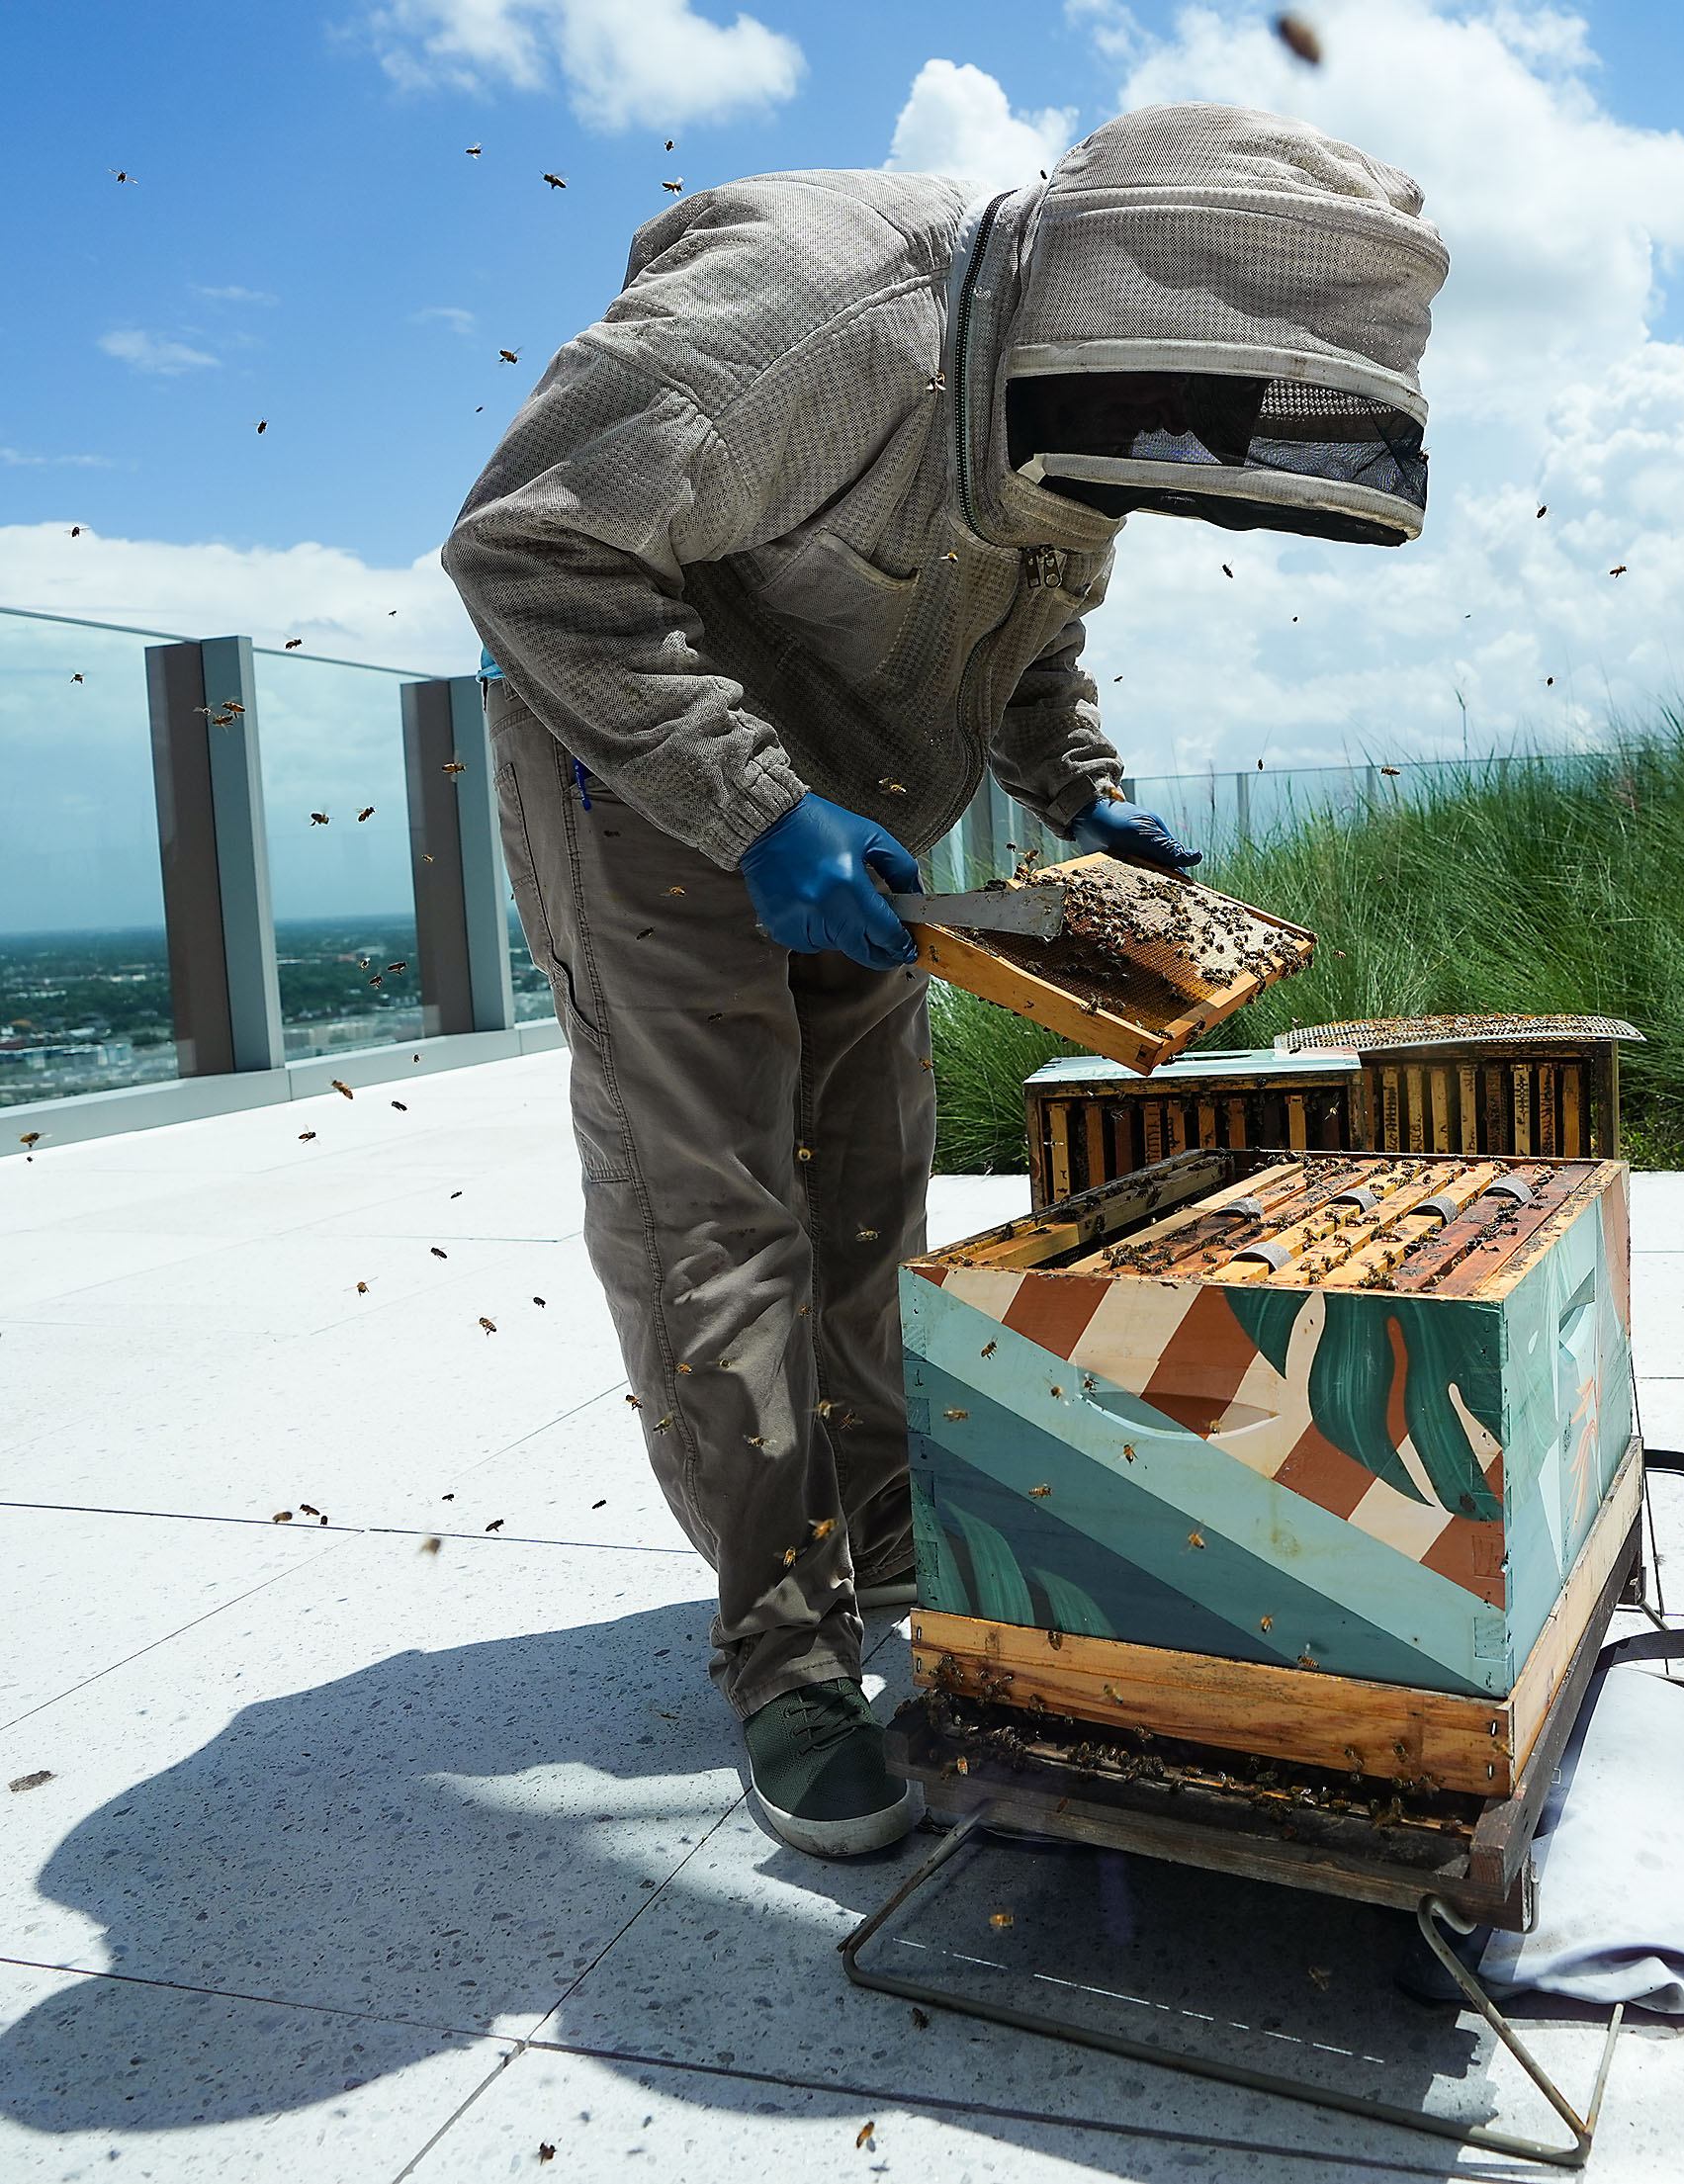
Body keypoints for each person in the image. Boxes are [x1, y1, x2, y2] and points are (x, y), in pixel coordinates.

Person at [445, 103, 1447, 1857]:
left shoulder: (1097, 394)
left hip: (869, 809)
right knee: (726, 1217)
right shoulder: (803, 313)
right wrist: (758, 810)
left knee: (868, 1197)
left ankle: (890, 1532)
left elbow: (1032, 610)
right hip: (645, 782)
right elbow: (528, 544)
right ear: (1098, 315)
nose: (1158, 476)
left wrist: (1078, 781)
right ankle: (784, 1653)